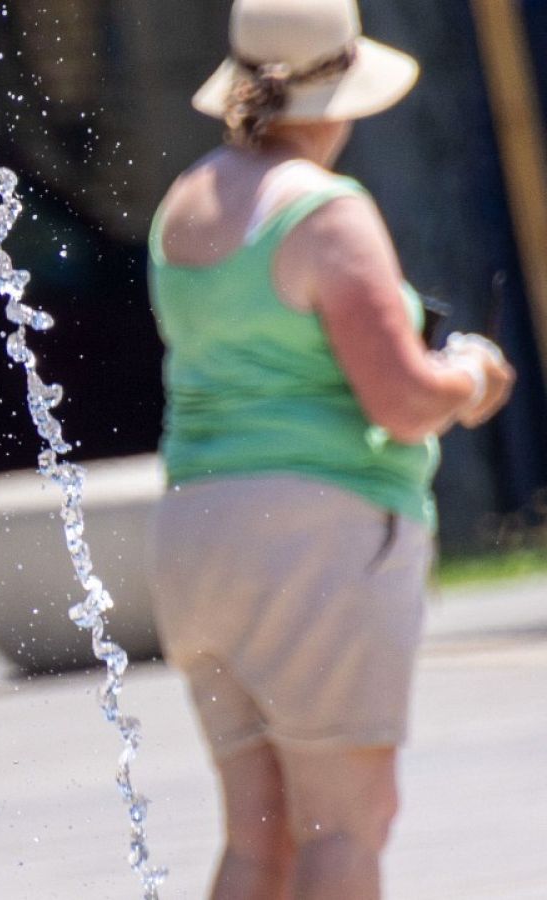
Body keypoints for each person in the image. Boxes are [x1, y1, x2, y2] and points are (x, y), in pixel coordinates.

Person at [146, 1, 516, 898]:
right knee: (347, 826)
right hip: (317, 533)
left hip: (194, 532)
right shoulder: (325, 210)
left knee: (255, 837)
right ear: (338, 93)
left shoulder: (184, 199)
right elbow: (398, 399)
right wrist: (469, 376)